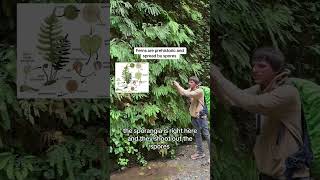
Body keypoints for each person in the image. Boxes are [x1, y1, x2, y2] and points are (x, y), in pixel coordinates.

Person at [211, 47, 310, 180]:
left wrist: (218, 75)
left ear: (276, 70)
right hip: (267, 174)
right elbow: (232, 101)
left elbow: (251, 103)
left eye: (262, 66)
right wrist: (214, 82)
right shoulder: (260, 89)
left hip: (290, 175)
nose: (255, 70)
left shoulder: (288, 93)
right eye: (254, 65)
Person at [173, 76, 210, 160]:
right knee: (197, 135)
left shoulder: (199, 91)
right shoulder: (191, 89)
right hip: (194, 116)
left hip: (200, 116)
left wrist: (178, 85)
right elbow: (183, 93)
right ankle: (200, 153)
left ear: (196, 84)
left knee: (206, 135)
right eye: (189, 81)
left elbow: (186, 94)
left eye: (191, 82)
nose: (189, 83)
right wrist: (177, 86)